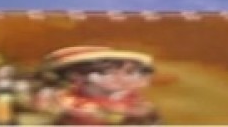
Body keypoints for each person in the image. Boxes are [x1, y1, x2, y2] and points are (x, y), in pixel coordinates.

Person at [32, 46, 161, 125]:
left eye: (129, 72)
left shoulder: (138, 103)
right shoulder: (66, 104)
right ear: (76, 76)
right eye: (105, 73)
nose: (120, 78)